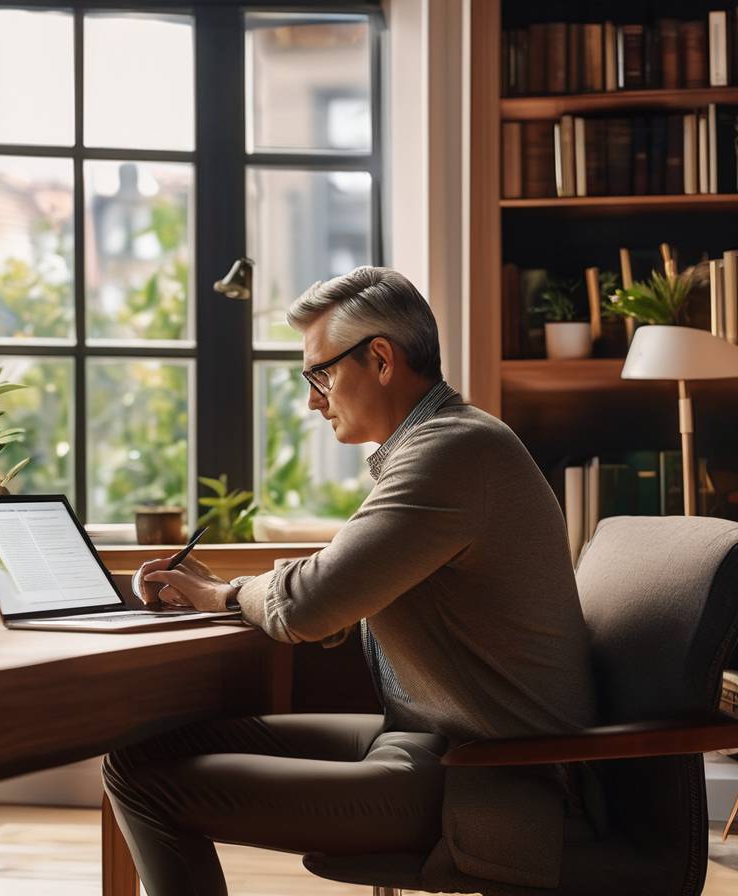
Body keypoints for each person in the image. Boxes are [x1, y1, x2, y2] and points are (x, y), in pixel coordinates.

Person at [103, 266, 597, 895]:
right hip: (432, 738)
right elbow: (341, 585)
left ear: (382, 360)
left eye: (321, 374)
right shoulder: (442, 444)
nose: (314, 400)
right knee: (141, 754)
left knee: (143, 781)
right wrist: (240, 592)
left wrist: (223, 594)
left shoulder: (453, 453)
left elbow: (310, 605)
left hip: (493, 778)